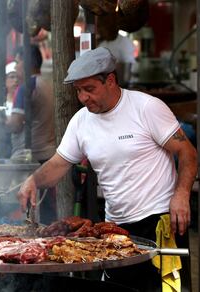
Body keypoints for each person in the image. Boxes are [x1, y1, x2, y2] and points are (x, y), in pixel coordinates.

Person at [17, 47, 197, 291]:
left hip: (158, 220)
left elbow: (187, 151)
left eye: (89, 89)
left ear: (110, 80)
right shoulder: (81, 121)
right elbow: (59, 163)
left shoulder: (146, 108)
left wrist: (182, 195)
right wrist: (34, 181)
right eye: (79, 90)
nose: (83, 97)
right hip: (115, 227)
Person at [9, 44, 56, 224]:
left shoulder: (26, 86)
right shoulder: (48, 83)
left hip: (31, 158)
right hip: (48, 155)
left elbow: (15, 124)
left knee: (29, 210)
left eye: (18, 61)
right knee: (46, 211)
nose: (16, 66)